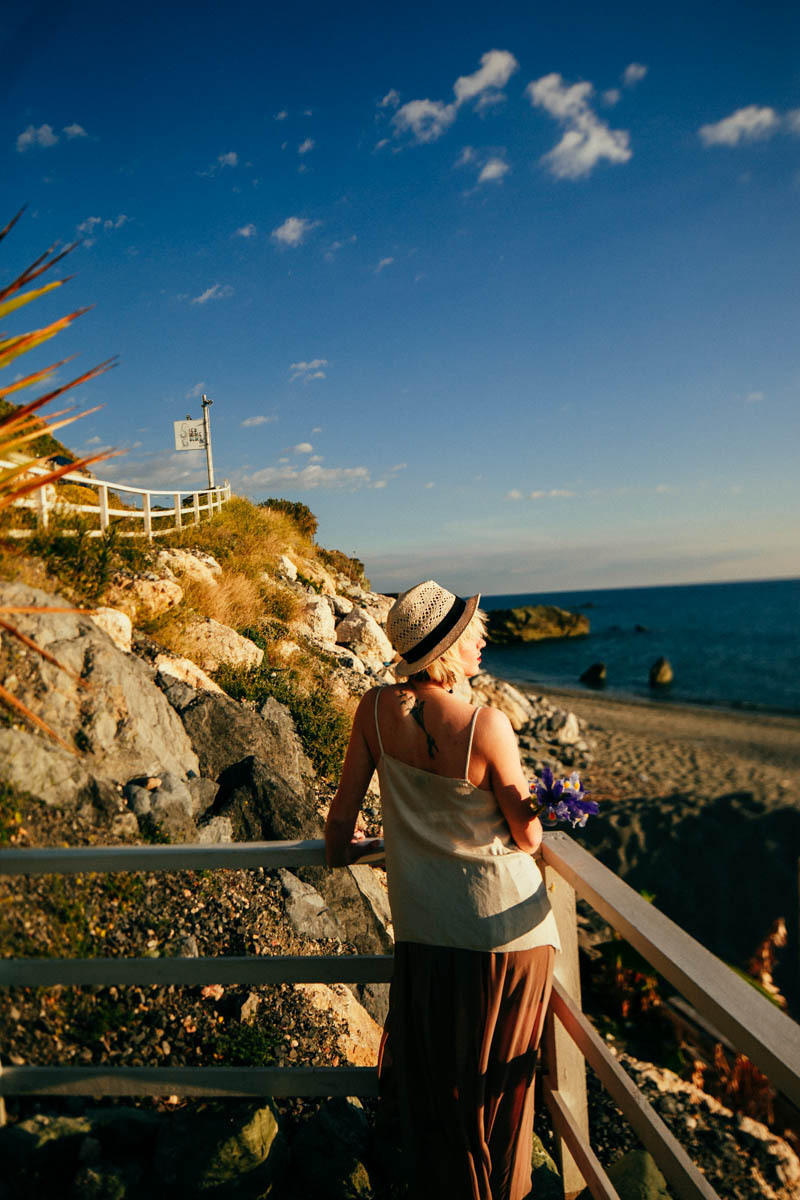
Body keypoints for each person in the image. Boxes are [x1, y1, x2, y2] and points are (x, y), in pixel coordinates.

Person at [325, 579, 561, 1200]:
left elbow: (339, 822)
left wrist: (361, 848)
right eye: (471, 633)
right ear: (445, 649)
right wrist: (546, 808)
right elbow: (528, 837)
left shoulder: (374, 711)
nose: (481, 640)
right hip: (505, 934)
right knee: (498, 1099)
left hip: (426, 929)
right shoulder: (487, 725)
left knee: (440, 1092)